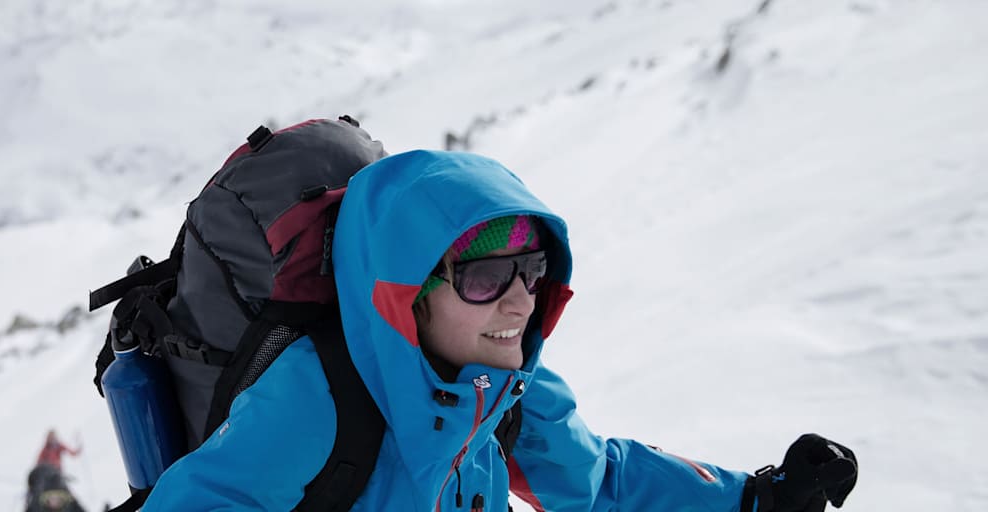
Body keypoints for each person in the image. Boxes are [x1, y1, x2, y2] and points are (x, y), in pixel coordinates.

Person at [143, 150, 857, 511]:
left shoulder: (507, 391)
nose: (520, 303)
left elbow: (597, 483)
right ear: (407, 296)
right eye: (485, 278)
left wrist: (754, 499)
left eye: (532, 271)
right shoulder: (313, 403)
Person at [26, 429, 85, 512]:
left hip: (58, 475)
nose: (52, 439)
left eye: (53, 437)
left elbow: (71, 452)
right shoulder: (45, 449)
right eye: (51, 437)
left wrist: (78, 451)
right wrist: (40, 472)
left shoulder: (59, 446)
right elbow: (39, 462)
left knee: (65, 496)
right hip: (46, 477)